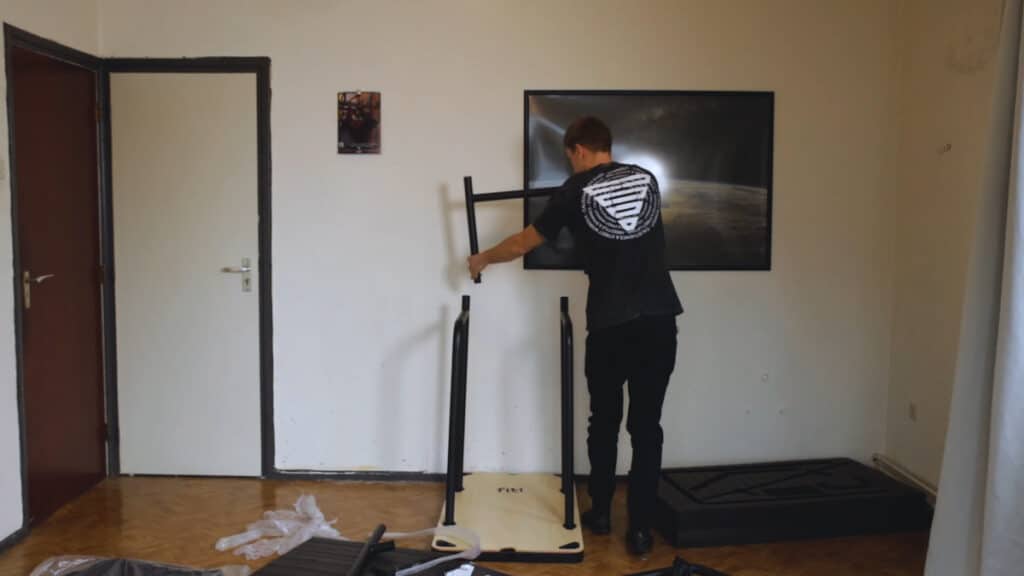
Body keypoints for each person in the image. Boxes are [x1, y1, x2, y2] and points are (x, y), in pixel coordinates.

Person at [466, 116, 683, 555]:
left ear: (578, 150)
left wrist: (482, 258)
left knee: (603, 421)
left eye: (570, 158)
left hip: (610, 324)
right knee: (646, 427)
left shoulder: (572, 192)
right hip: (659, 320)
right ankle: (640, 530)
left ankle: (601, 512)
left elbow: (524, 243)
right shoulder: (647, 180)